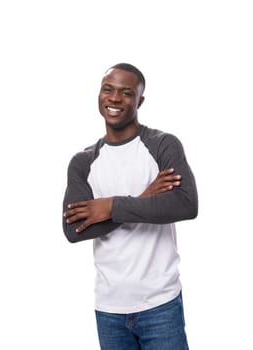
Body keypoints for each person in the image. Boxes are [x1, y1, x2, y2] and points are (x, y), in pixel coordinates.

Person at [62, 63, 198, 349]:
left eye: (126, 93)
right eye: (108, 90)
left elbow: (186, 204)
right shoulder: (83, 162)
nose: (114, 99)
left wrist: (110, 207)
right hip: (109, 308)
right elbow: (74, 230)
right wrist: (147, 196)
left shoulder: (162, 145)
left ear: (140, 100)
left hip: (160, 303)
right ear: (99, 94)